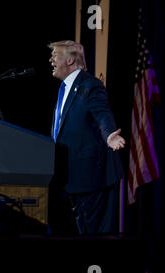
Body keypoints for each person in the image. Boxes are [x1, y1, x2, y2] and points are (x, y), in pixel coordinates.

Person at [47, 40, 125, 234]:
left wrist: (109, 136)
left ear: (71, 60)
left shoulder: (90, 85)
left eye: (55, 55)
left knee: (93, 239)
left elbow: (102, 115)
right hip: (69, 179)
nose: (51, 60)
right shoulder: (64, 89)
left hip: (91, 179)